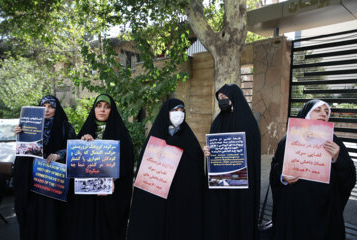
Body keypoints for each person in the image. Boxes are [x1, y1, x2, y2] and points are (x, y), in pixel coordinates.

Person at [270, 99, 356, 240]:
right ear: (307, 113)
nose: (323, 114)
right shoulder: (288, 140)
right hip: (294, 209)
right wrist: (282, 176)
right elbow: (276, 166)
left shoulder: (334, 142)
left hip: (323, 212)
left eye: (326, 111)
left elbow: (349, 176)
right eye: (318, 110)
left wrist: (337, 158)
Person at [127, 98, 206, 240]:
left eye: (182, 111)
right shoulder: (155, 137)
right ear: (166, 113)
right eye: (175, 110)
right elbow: (145, 171)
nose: (179, 114)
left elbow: (196, 165)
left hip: (181, 198)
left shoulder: (189, 138)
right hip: (158, 197)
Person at [68, 94, 134, 240]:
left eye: (107, 107)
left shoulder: (121, 133)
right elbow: (75, 164)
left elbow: (127, 162)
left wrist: (113, 179)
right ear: (94, 109)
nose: (102, 110)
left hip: (111, 196)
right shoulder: (86, 130)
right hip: (88, 199)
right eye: (98, 106)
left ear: (112, 110)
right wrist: (82, 144)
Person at [202, 84, 261, 240]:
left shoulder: (248, 122)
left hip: (241, 183)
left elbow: (253, 152)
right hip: (220, 182)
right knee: (220, 216)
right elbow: (213, 150)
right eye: (219, 98)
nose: (222, 101)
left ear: (235, 98)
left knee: (239, 217)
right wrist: (207, 152)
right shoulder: (217, 122)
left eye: (225, 97)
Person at [13, 95, 76, 240]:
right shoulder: (30, 125)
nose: (47, 110)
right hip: (32, 179)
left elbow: (73, 147)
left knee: (52, 216)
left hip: (53, 180)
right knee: (33, 214)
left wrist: (59, 155)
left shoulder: (65, 127)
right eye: (44, 106)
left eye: (51, 106)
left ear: (57, 108)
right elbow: (25, 151)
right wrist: (19, 135)